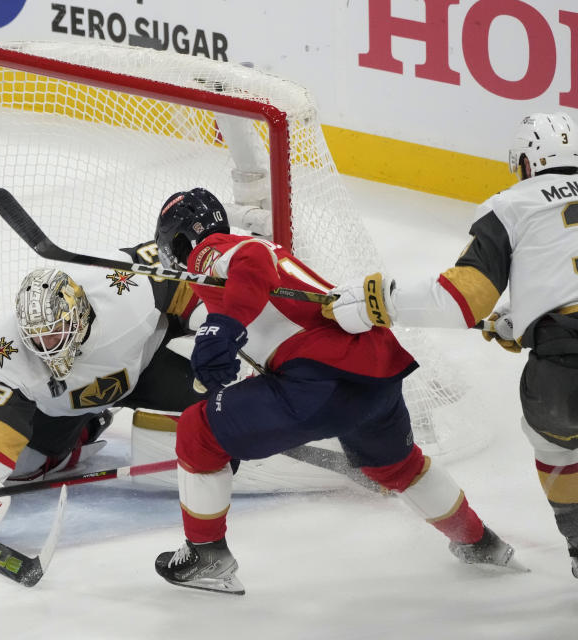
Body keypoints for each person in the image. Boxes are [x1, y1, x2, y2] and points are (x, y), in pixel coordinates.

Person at [151, 187, 521, 595]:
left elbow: (250, 264)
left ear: (180, 242)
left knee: (196, 430)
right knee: (399, 467)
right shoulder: (254, 257)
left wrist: (225, 327)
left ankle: (206, 556)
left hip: (321, 379)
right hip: (376, 372)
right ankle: (481, 544)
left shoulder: (211, 250)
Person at [325, 112, 578, 579]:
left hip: (564, 374)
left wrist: (378, 300)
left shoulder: (513, 205)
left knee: (559, 446)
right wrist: (524, 320)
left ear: (527, 162)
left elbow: (462, 300)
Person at [0, 242, 207, 554]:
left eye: (54, 332)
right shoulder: (9, 349)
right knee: (20, 468)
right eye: (37, 336)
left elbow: (189, 278)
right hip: (64, 408)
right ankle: (84, 429)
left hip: (149, 365)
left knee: (221, 384)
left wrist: (218, 320)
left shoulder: (127, 289)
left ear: (77, 313)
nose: (46, 346)